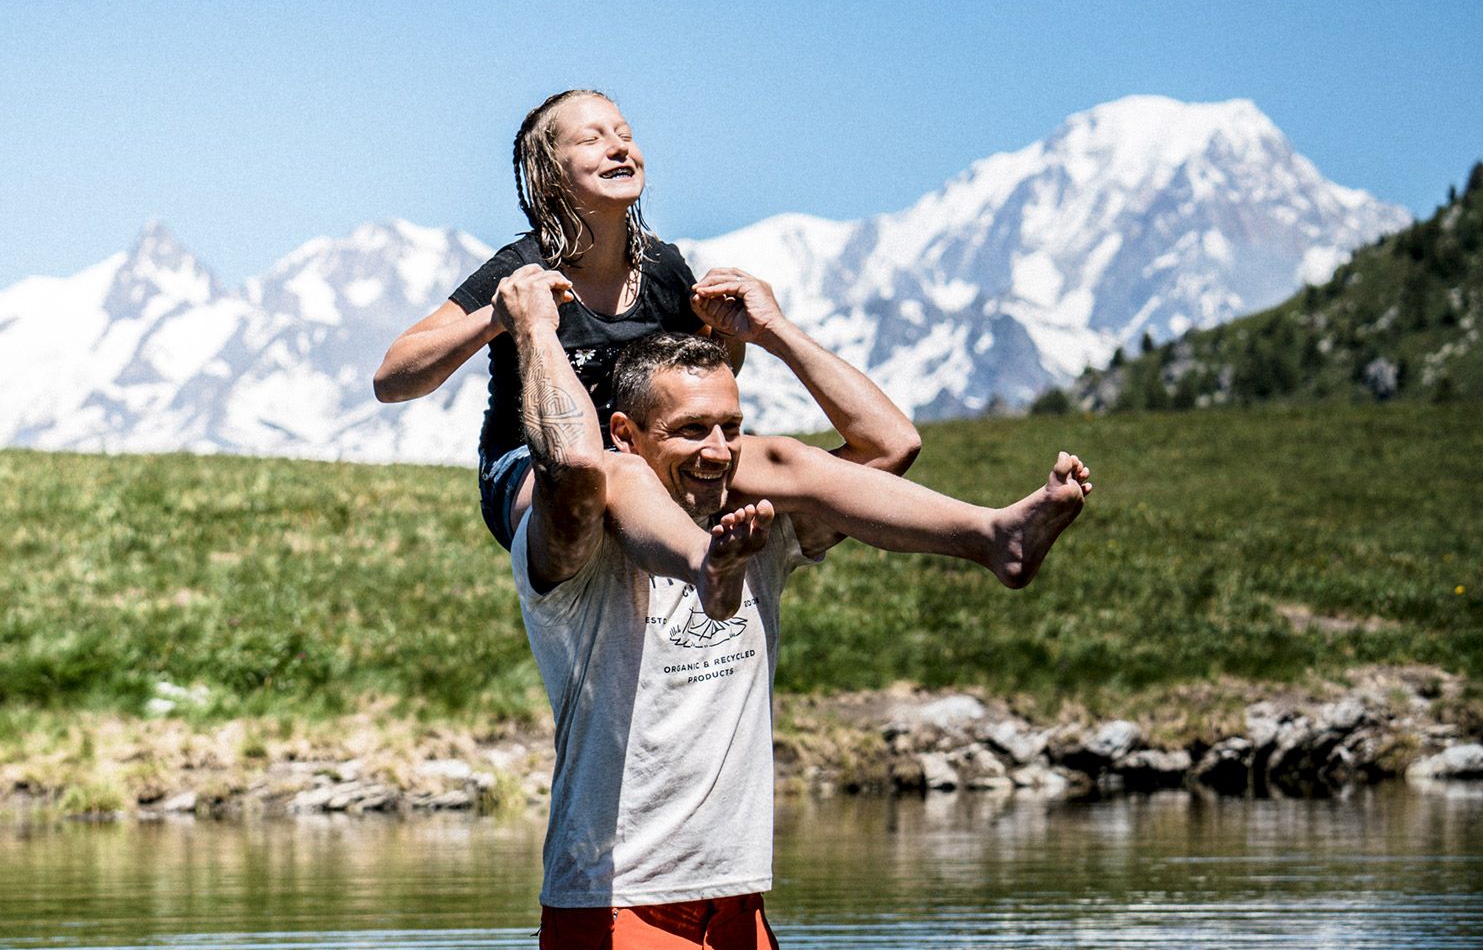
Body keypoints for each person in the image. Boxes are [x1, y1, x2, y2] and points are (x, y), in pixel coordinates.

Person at [498, 266, 1088, 950]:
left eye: (730, 427)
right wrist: (533, 330)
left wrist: (771, 329)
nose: (717, 449)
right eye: (691, 429)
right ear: (628, 432)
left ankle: (993, 536)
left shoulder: (758, 529)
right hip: (615, 909)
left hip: (736, 909)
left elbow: (886, 444)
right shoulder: (573, 558)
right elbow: (577, 465)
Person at [373, 88, 1091, 593]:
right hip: (533, 476)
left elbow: (705, 381)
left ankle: (993, 535)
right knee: (602, 472)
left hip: (649, 455)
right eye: (591, 136)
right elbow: (393, 378)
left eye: (624, 131)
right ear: (549, 171)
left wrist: (739, 336)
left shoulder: (663, 268)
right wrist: (497, 317)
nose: (618, 142)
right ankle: (707, 566)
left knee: (778, 453)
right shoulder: (518, 267)